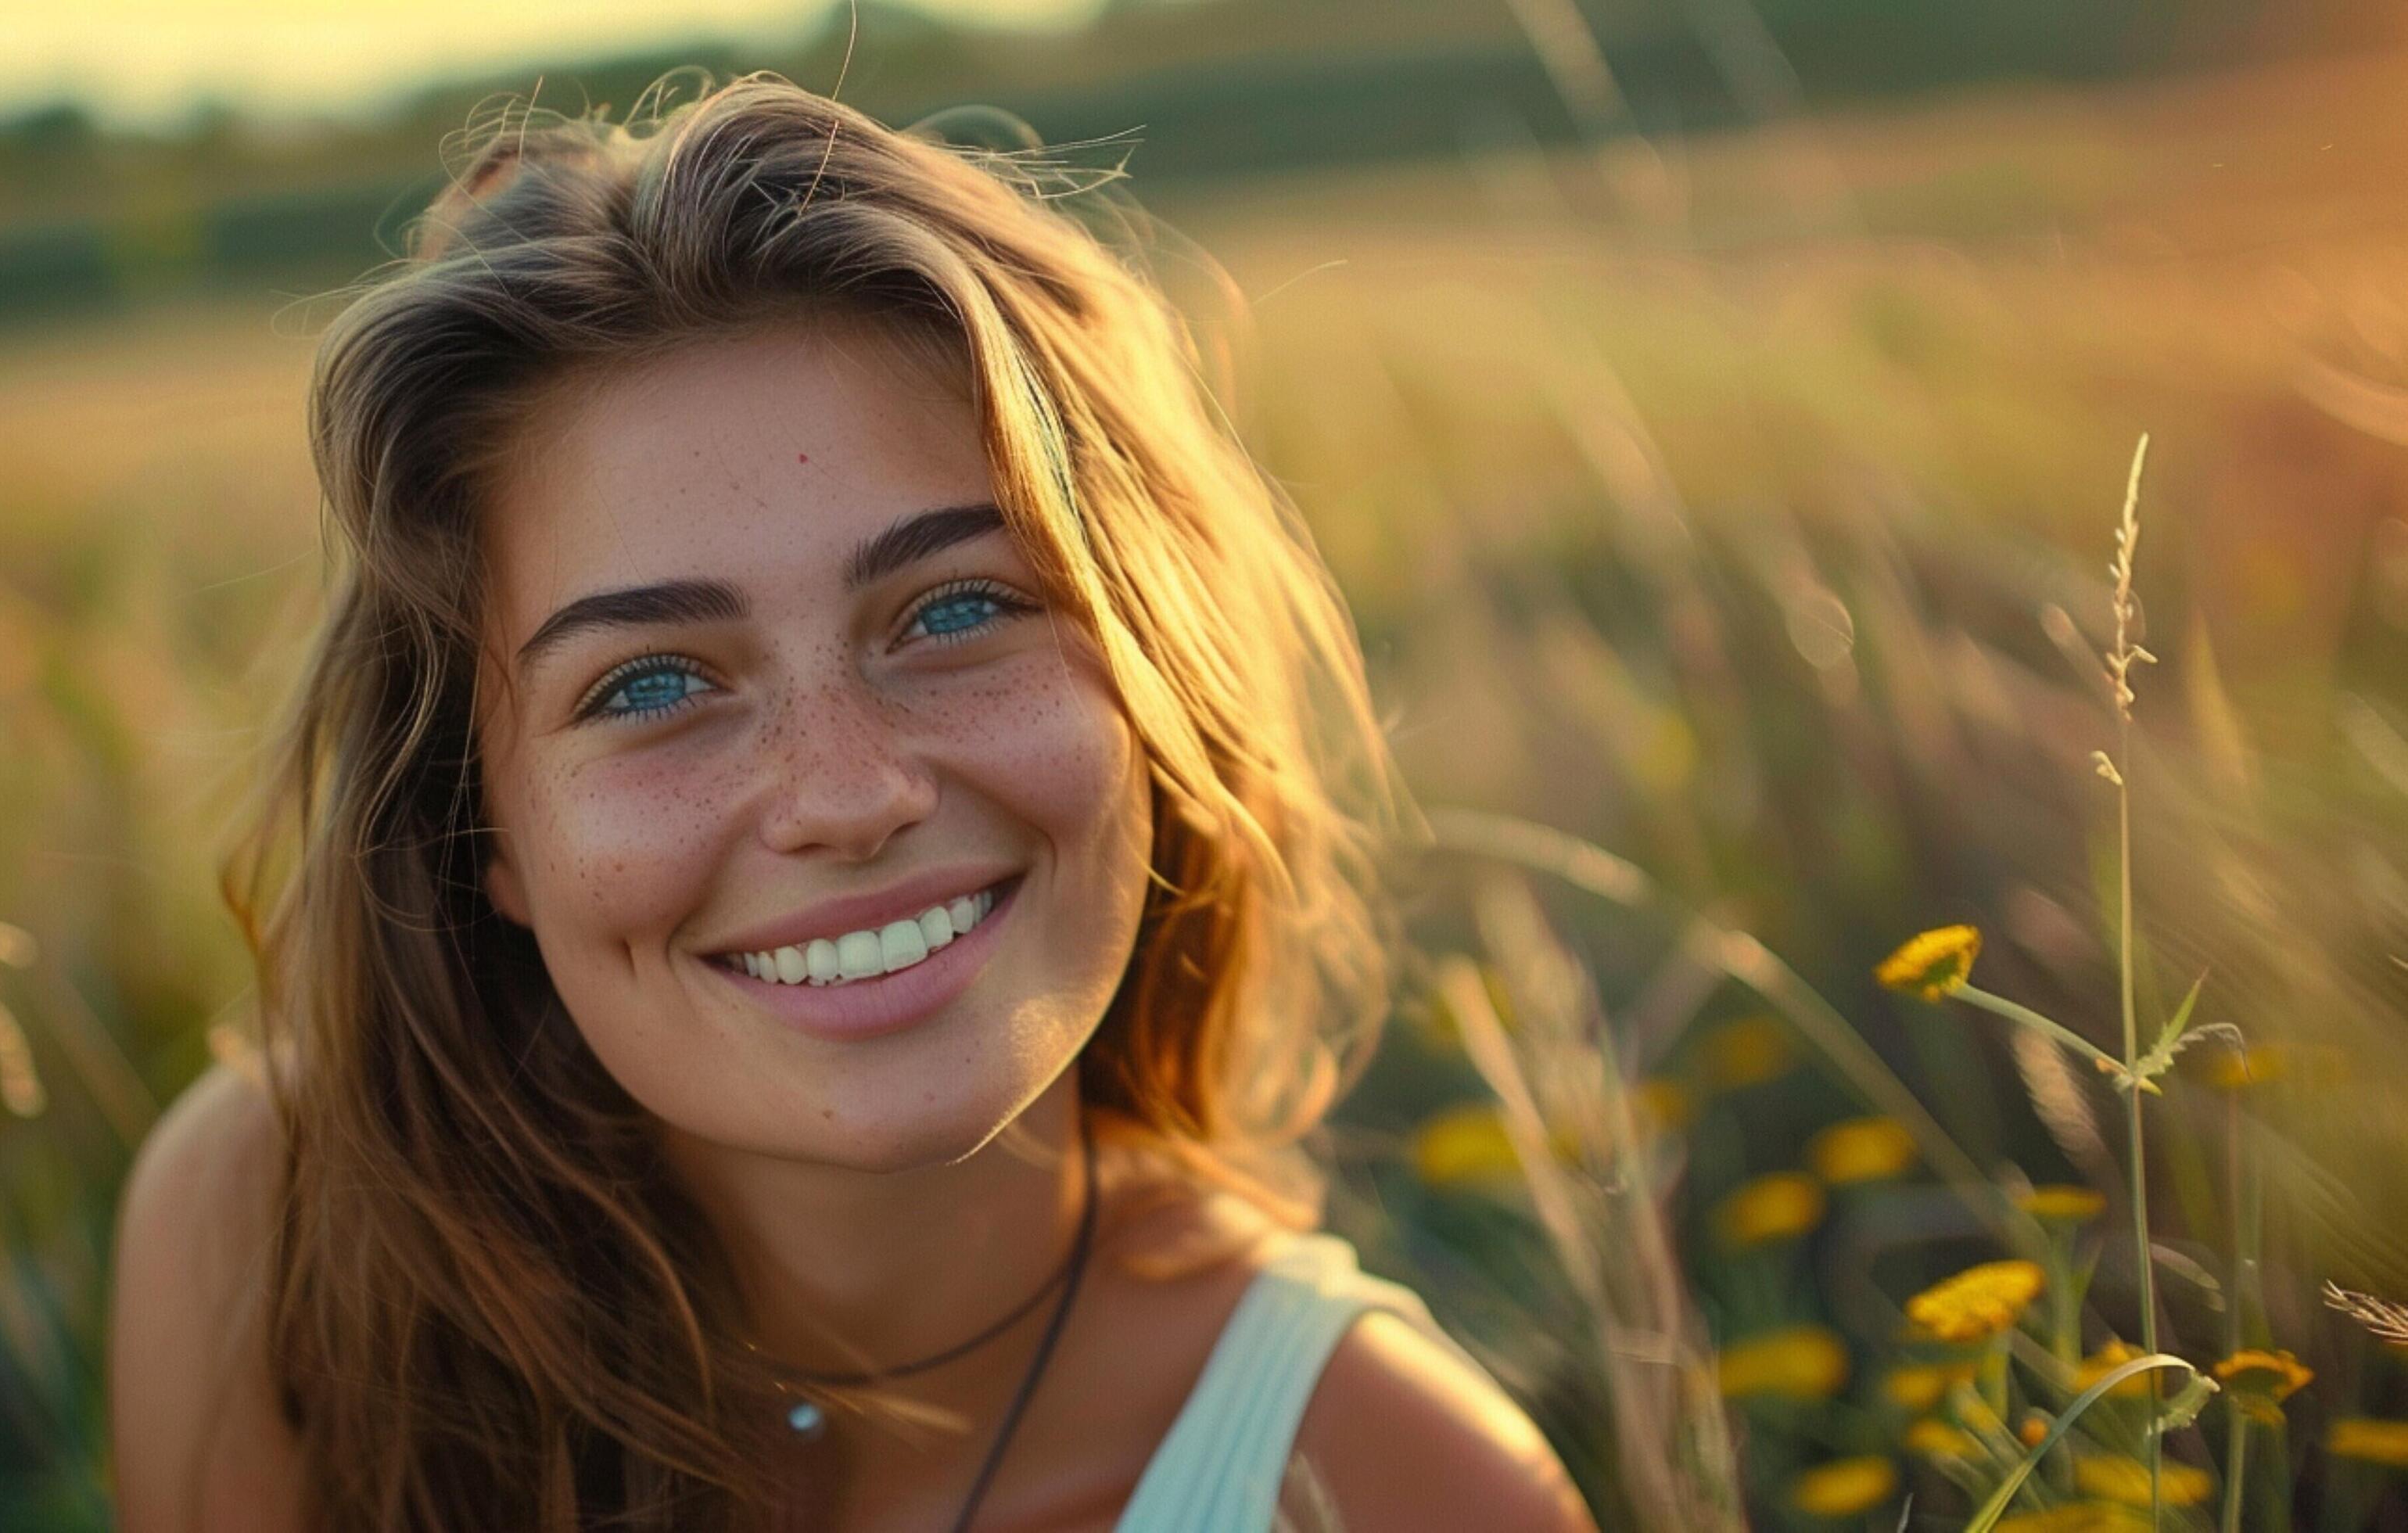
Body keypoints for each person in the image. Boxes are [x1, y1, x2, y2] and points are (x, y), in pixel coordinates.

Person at [107, 70, 1595, 1532]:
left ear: (1149, 684)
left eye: (952, 612)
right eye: (645, 686)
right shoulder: (273, 1242)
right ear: (479, 832)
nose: (847, 794)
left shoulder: (1408, 1488)